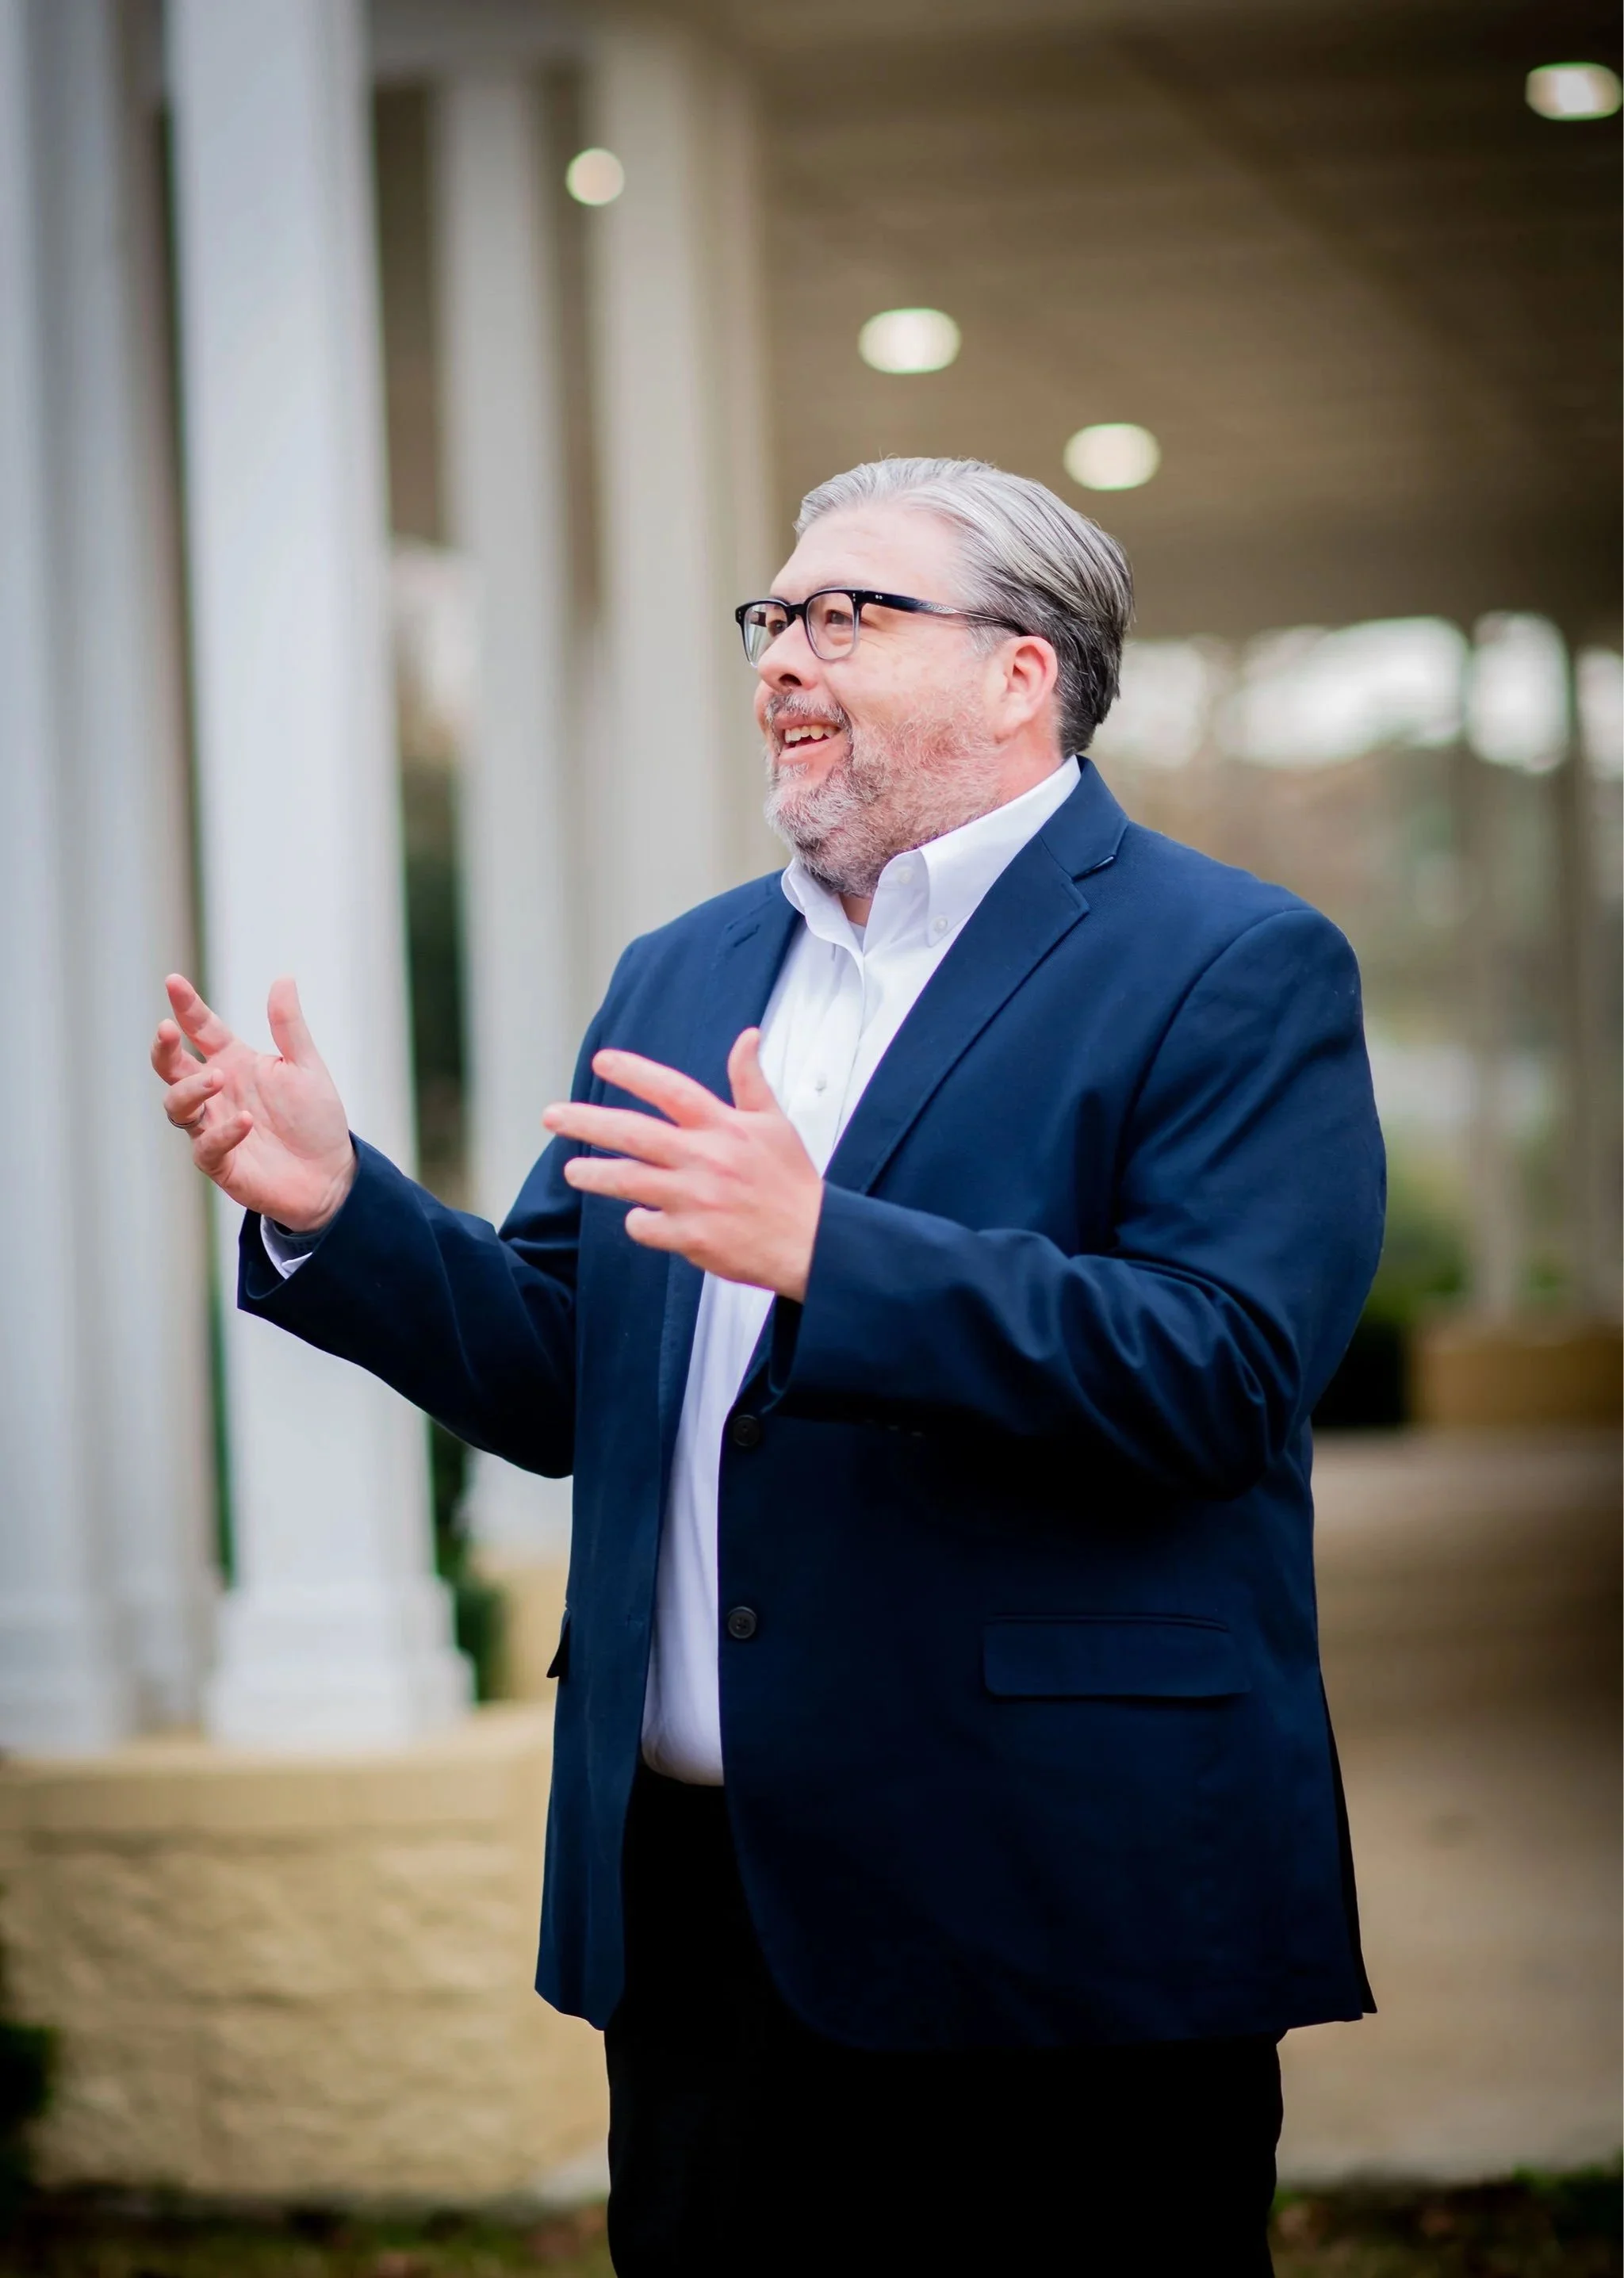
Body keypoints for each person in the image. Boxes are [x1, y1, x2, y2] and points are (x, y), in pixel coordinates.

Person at [152, 457, 1384, 2276]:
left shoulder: (1227, 962)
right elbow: (564, 1370)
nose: (783, 659)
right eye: (773, 617)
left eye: (846, 614)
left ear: (1019, 671)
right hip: (701, 1921)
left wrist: (829, 1249)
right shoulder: (685, 968)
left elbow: (1219, 1372)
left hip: (1056, 1913)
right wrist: (343, 1210)